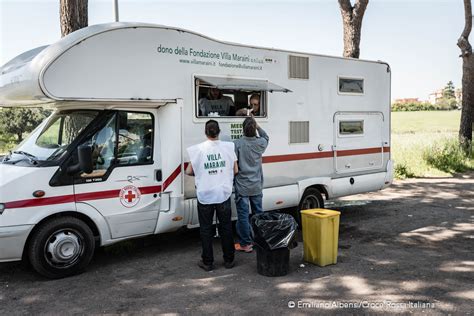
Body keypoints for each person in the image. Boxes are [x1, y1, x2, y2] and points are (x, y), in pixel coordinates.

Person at [186, 120, 238, 271]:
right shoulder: (229, 147)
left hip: (205, 195)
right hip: (223, 193)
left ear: (205, 132)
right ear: (219, 131)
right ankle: (229, 260)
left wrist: (203, 171)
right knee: (226, 227)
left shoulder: (198, 150)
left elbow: (189, 171)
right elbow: (235, 170)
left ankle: (208, 262)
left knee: (206, 229)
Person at [233, 117, 269, 252]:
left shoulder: (237, 144)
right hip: (256, 185)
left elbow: (234, 165)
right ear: (254, 130)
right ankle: (260, 241)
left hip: (242, 186)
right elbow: (266, 137)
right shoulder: (260, 143)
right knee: (258, 214)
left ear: (243, 129)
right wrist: (258, 126)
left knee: (243, 216)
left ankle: (246, 244)